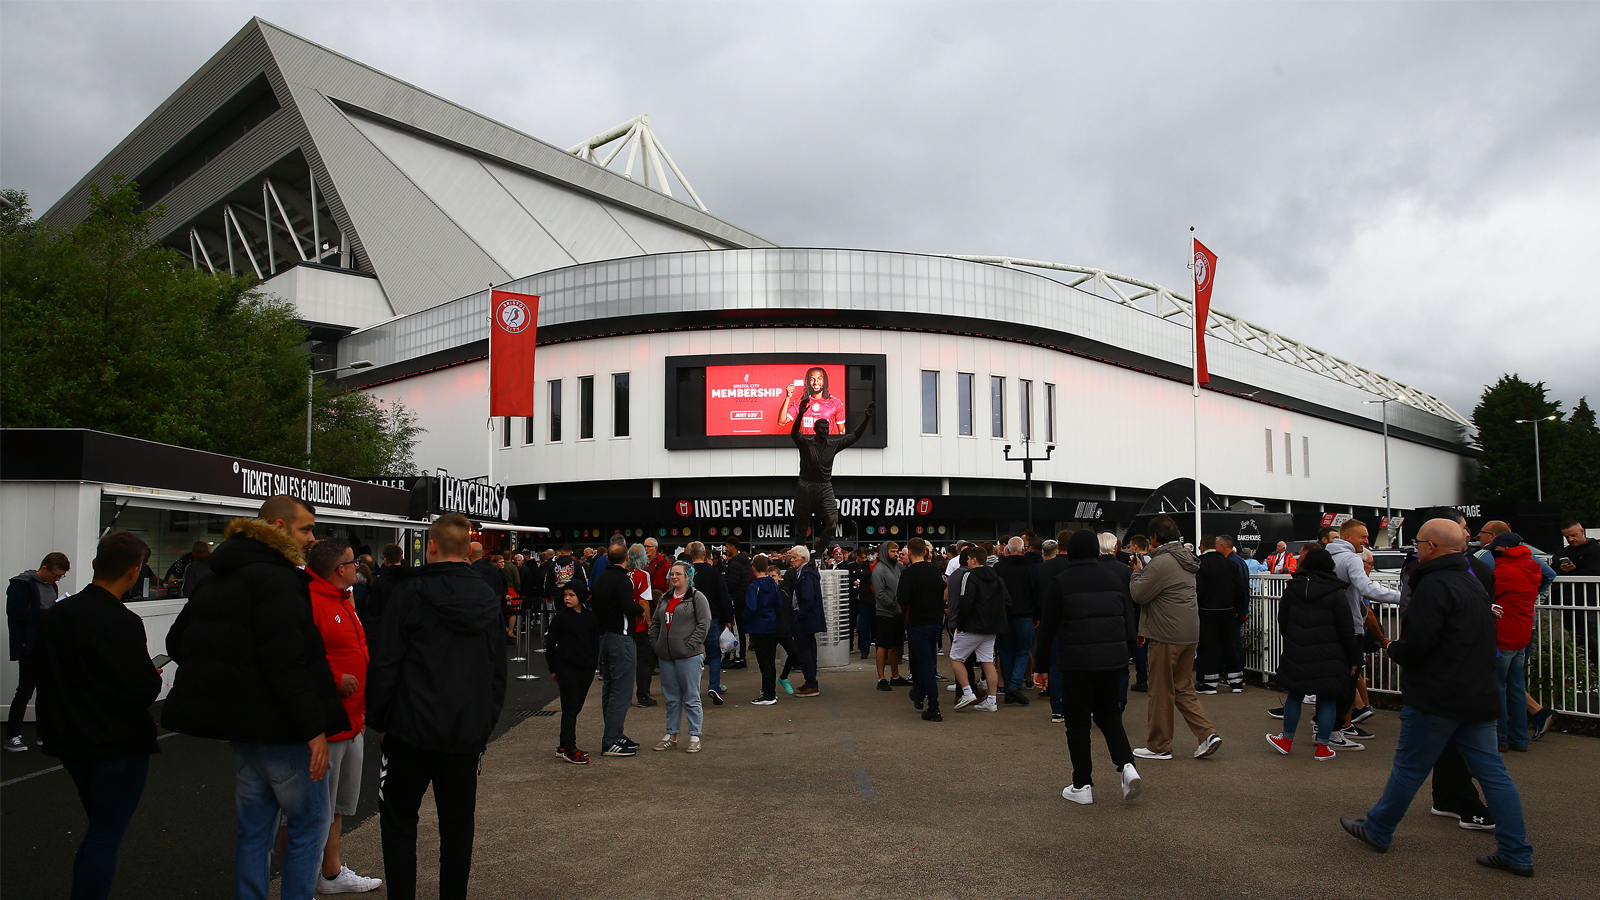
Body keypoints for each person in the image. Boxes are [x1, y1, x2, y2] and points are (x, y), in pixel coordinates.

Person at [162, 496, 348, 900]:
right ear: (279, 528)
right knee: (310, 823)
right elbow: (286, 660)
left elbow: (179, 640)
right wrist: (312, 727)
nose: (313, 538)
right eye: (306, 529)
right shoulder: (277, 579)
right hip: (281, 727)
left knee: (254, 828)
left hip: (244, 730)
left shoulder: (217, 576)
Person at [1341, 519, 1534, 877]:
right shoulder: (1473, 581)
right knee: (1493, 774)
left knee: (1410, 766)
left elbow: (1419, 645)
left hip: (1437, 695)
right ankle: (1516, 850)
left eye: (1417, 543)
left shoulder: (1431, 585)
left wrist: (1395, 648)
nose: (1416, 549)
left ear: (1431, 546)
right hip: (1478, 693)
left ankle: (1379, 829)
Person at [366, 512, 507, 900]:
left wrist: (379, 720)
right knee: (458, 827)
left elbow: (385, 661)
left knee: (398, 823)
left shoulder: (408, 593)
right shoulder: (486, 596)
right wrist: (484, 723)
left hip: (410, 729)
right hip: (463, 732)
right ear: (467, 549)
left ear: (430, 546)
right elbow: (498, 670)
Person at [31, 533, 160, 899]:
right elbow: (140, 689)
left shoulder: (57, 615)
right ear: (134, 572)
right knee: (105, 835)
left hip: (69, 738)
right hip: (115, 742)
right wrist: (151, 677)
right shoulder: (122, 621)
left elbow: (43, 672)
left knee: (99, 830)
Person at [1035, 530, 1141, 804]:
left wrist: (1042, 666)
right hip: (1112, 660)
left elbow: (1047, 629)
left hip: (1077, 662)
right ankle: (1127, 766)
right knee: (1109, 716)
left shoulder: (1061, 582)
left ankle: (1082, 784)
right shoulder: (1115, 578)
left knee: (1078, 724)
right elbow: (1126, 615)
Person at [303, 539, 382, 894]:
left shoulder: (341, 600)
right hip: (326, 724)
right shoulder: (309, 602)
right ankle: (301, 881)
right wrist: (335, 681)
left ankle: (330, 873)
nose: (359, 568)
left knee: (336, 807)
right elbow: (294, 657)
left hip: (352, 720)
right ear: (340, 569)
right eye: (354, 563)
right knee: (309, 812)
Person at [1130, 515, 1221, 760]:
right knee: (1183, 687)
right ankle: (1206, 733)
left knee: (1160, 690)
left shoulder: (1162, 563)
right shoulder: (1186, 558)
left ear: (1154, 538)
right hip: (1189, 632)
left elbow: (1139, 594)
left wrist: (1136, 573)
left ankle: (1159, 745)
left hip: (1165, 634)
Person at [1265, 545, 1360, 761]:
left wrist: (1291, 639)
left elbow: (1283, 620)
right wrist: (1354, 658)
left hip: (1297, 649)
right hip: (1331, 652)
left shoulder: (1292, 588)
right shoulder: (1337, 591)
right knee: (1328, 699)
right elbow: (1347, 628)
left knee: (1295, 695)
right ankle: (1323, 748)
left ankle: (1286, 740)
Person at [789, 399, 876, 553]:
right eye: (822, 428)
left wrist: (867, 418)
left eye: (827, 428)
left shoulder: (833, 445)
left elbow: (854, 436)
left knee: (832, 523)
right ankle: (797, 557)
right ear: (816, 429)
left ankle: (818, 555)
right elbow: (794, 434)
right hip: (806, 486)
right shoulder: (806, 444)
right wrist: (801, 413)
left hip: (824, 486)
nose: (826, 430)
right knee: (802, 527)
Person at [6, 550, 69, 752]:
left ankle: (43, 732)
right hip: (29, 644)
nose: (56, 580)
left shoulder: (52, 586)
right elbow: (15, 612)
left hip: (47, 644)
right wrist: (46, 616)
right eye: (55, 575)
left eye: (60, 577)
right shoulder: (21, 584)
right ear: (44, 568)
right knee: (25, 690)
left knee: (46, 691)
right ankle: (12, 736)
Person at [1485, 532, 1540, 752]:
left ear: (1503, 550)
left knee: (1497, 686)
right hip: (1523, 633)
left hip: (1504, 634)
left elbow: (1487, 594)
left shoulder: (1505, 571)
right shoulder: (1532, 566)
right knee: (1516, 687)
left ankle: (1500, 738)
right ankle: (1520, 738)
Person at [651, 561, 712, 752]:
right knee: (671, 698)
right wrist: (656, 644)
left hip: (689, 657)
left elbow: (704, 623)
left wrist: (690, 645)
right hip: (666, 656)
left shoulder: (697, 598)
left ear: (688, 576)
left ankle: (694, 736)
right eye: (672, 574)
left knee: (691, 697)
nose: (674, 577)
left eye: (678, 574)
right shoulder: (665, 599)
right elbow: (655, 623)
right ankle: (671, 734)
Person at [590, 544, 642, 757]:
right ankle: (611, 738)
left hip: (604, 637)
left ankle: (614, 733)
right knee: (621, 690)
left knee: (610, 688)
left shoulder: (601, 578)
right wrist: (640, 608)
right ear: (626, 559)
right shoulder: (622, 579)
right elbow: (627, 607)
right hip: (620, 638)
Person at [951, 545, 1009, 712]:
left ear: (974, 560)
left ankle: (967, 692)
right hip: (992, 627)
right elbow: (1007, 601)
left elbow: (965, 601)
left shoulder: (969, 576)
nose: (967, 561)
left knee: (956, 658)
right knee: (987, 662)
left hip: (972, 626)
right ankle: (992, 700)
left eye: (969, 559)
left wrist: (960, 625)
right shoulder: (997, 578)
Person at [546, 585, 599, 764]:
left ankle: (564, 745)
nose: (567, 598)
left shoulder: (590, 617)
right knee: (569, 708)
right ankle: (569, 747)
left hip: (585, 668)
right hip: (566, 667)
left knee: (575, 707)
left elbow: (594, 642)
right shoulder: (561, 617)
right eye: (566, 595)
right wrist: (552, 669)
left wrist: (593, 665)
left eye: (572, 594)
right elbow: (550, 644)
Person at [898, 538, 947, 722]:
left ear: (910, 552)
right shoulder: (934, 570)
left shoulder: (909, 573)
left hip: (918, 622)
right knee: (925, 660)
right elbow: (942, 589)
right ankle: (919, 693)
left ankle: (933, 706)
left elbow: (902, 598)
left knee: (924, 664)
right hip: (934, 620)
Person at [1195, 534, 1248, 695]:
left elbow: (1199, 590)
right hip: (1228, 612)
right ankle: (1236, 681)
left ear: (1202, 547)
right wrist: (1237, 609)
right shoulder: (1231, 564)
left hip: (1207, 613)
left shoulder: (1201, 565)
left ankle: (1210, 683)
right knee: (1230, 646)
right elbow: (1241, 589)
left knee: (1209, 647)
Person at [994, 536, 1040, 706]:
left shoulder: (999, 568)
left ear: (1007, 550)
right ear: (1023, 550)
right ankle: (1015, 685)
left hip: (1004, 616)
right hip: (1024, 615)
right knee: (1023, 651)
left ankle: (1008, 690)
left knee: (1005, 653)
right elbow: (1036, 593)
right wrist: (1037, 615)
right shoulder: (1031, 568)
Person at [687, 542, 733, 706]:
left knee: (692, 654)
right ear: (705, 554)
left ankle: (691, 689)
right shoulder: (713, 572)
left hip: (689, 619)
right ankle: (714, 685)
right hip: (711, 618)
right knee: (714, 654)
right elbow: (723, 596)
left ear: (690, 555)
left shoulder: (687, 573)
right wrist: (728, 618)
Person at [781, 545, 826, 697]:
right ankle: (810, 681)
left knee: (804, 650)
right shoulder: (807, 572)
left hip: (804, 619)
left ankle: (811, 683)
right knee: (809, 649)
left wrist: (799, 616)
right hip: (808, 618)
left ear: (803, 559)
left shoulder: (806, 574)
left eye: (794, 558)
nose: (791, 560)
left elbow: (807, 598)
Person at [743, 555, 784, 705]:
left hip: (758, 627)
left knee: (763, 661)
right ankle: (770, 692)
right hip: (771, 625)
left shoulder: (754, 587)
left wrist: (745, 620)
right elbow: (779, 605)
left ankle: (767, 695)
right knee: (770, 661)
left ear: (753, 569)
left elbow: (751, 607)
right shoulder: (773, 584)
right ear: (767, 568)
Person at [624, 544, 658, 708]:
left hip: (623, 624)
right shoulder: (643, 575)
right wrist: (649, 623)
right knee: (644, 660)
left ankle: (623, 695)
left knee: (625, 661)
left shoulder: (623, 574)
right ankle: (643, 695)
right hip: (639, 624)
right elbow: (644, 601)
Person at [870, 541, 906, 690]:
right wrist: (893, 604)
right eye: (893, 551)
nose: (896, 554)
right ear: (885, 552)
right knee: (883, 645)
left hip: (898, 614)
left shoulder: (897, 568)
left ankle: (895, 676)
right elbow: (879, 594)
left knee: (896, 645)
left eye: (897, 551)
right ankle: (881, 678)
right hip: (885, 613)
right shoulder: (879, 570)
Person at [848, 545, 875, 660]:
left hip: (874, 599)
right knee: (861, 626)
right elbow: (860, 574)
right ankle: (861, 649)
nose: (868, 558)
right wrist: (871, 575)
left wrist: (868, 575)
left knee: (873, 627)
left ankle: (873, 648)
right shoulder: (860, 565)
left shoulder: (878, 566)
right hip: (861, 599)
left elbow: (870, 576)